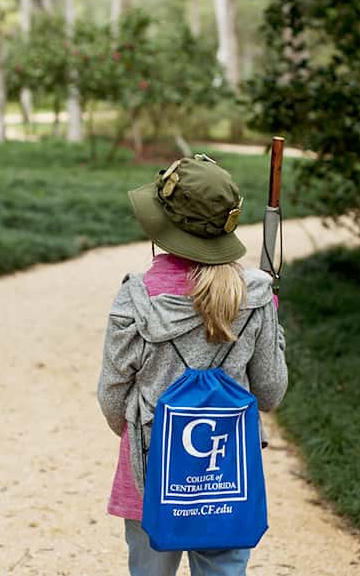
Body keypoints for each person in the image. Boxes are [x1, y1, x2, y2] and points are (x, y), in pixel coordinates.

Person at [97, 154, 288, 576]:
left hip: (149, 471)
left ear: (163, 228)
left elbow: (111, 396)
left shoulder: (136, 298)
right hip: (227, 475)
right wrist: (273, 326)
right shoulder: (255, 295)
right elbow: (270, 393)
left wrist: (144, 432)